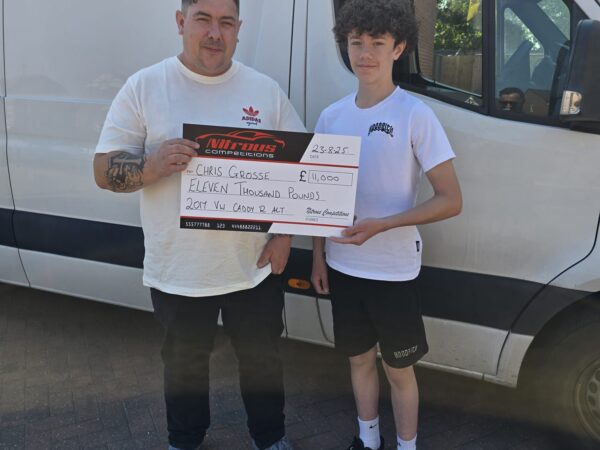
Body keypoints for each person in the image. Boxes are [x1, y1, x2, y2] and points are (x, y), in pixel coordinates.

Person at [93, 1, 304, 449]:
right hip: (179, 268)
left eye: (225, 22)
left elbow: (299, 171)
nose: (214, 32)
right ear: (180, 22)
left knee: (263, 360)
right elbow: (102, 170)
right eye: (203, 19)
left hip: (253, 265)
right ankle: (185, 440)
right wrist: (151, 165)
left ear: (238, 28)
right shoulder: (146, 86)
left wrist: (285, 234)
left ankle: (271, 438)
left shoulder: (264, 90)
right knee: (184, 366)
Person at [311, 1, 462, 449]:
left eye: (377, 43)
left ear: (398, 48)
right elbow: (318, 197)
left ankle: (407, 445)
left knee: (399, 370)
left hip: (394, 271)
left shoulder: (415, 114)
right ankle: (368, 439)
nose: (365, 53)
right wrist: (319, 256)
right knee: (358, 361)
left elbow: (451, 200)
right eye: (356, 42)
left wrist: (385, 225)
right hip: (342, 266)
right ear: (345, 45)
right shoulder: (331, 117)